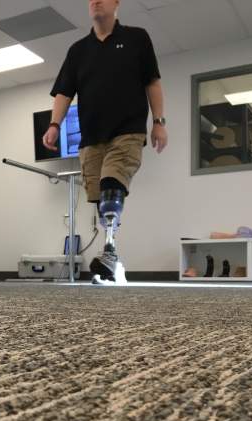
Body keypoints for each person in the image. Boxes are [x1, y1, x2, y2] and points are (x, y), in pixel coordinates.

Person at [43, 0, 168, 285]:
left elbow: (152, 82)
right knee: (102, 200)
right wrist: (54, 124)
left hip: (127, 130)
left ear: (116, 3)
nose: (95, 1)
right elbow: (63, 92)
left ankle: (109, 253)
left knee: (112, 184)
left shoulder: (137, 38)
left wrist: (159, 122)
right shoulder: (78, 50)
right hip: (91, 138)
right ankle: (115, 262)